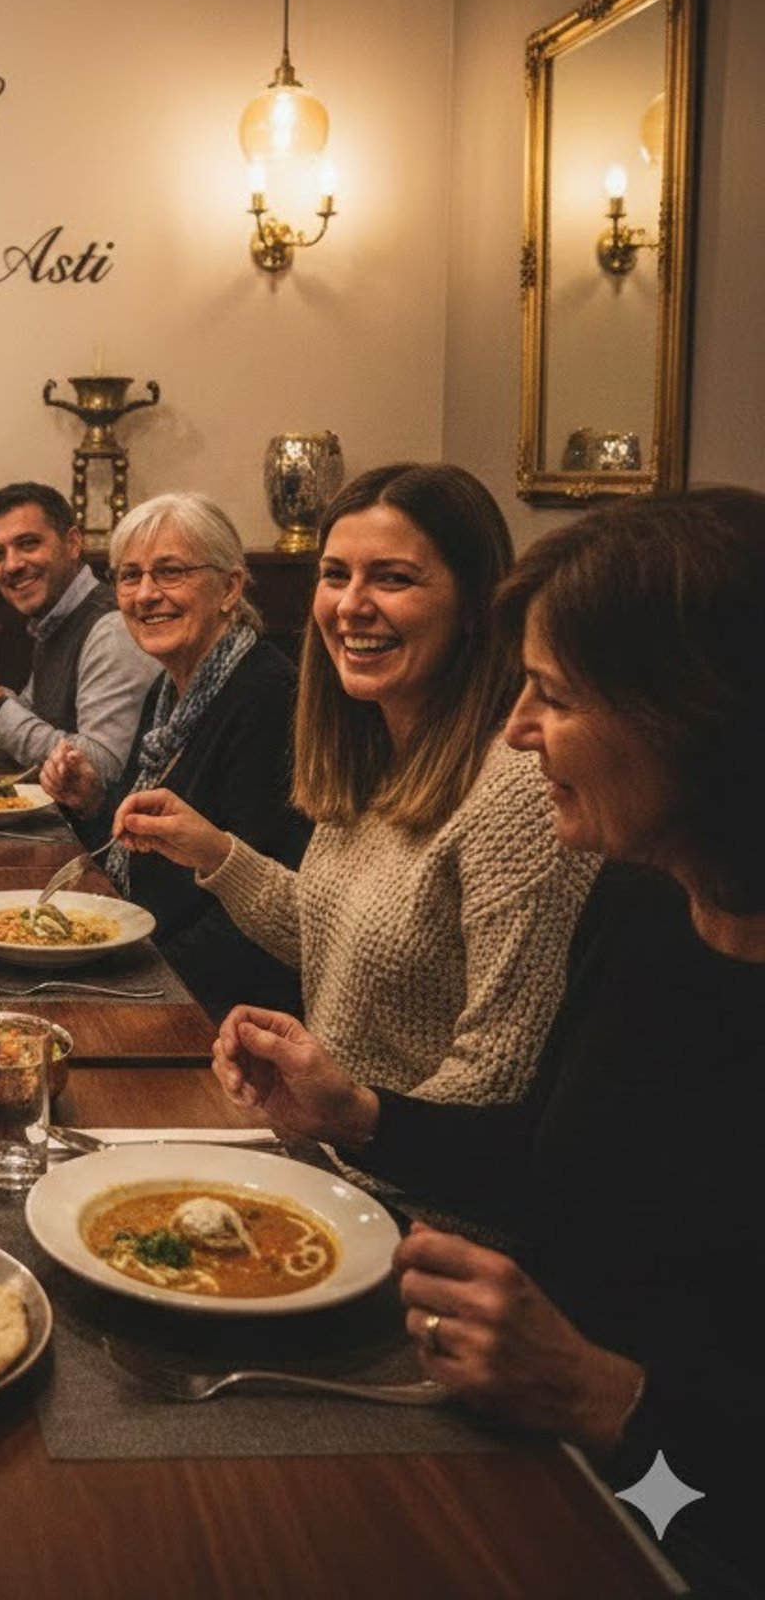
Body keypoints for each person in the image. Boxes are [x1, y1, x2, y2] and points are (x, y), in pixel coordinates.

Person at [209, 488, 765, 1597]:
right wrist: (355, 1113)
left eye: (551, 696)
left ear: (685, 717)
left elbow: (722, 1527)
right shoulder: (646, 902)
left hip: (664, 1503)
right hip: (522, 1418)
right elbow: (551, 1158)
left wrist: (605, 1399)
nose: (515, 731)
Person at [116, 463, 596, 1106]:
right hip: (330, 1146)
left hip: (408, 1187)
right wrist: (215, 853)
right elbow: (328, 925)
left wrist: (355, 1117)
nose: (351, 606)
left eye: (393, 578)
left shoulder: (518, 793)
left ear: (477, 606)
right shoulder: (368, 751)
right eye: (336, 575)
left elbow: (498, 1073)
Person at [40, 493, 309, 1017]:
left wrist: (136, 988)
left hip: (220, 1006)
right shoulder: (168, 692)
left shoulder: (270, 699)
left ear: (230, 588)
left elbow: (254, 915)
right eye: (129, 575)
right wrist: (93, 802)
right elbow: (135, 860)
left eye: (170, 572)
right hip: (150, 959)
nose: (145, 595)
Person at [0, 481, 156, 792]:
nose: (11, 565)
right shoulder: (55, 616)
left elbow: (100, 766)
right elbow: (37, 717)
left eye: (28, 544)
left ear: (73, 543)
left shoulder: (111, 628)